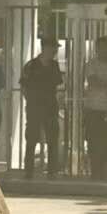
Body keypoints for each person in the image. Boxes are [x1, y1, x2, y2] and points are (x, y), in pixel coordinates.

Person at [20, 36, 63, 177]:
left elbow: (58, 84)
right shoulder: (31, 65)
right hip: (35, 107)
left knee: (52, 139)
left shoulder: (54, 66)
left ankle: (52, 171)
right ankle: (29, 171)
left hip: (50, 107)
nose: (55, 51)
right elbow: (23, 86)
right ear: (45, 48)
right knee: (32, 139)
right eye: (53, 48)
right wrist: (31, 101)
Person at [83, 35, 107, 181]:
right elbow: (93, 81)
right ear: (96, 50)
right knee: (93, 141)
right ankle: (95, 171)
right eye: (100, 48)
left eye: (105, 48)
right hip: (93, 109)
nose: (103, 50)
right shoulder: (91, 64)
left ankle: (105, 170)